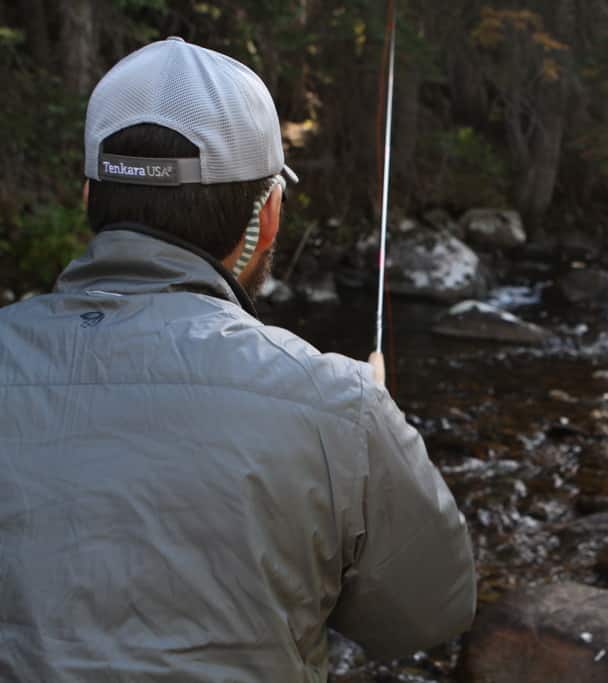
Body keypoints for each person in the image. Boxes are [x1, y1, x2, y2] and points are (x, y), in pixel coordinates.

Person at [0, 37, 476, 682]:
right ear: (269, 215)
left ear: (91, 199)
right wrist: (368, 438)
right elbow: (431, 613)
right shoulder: (338, 403)